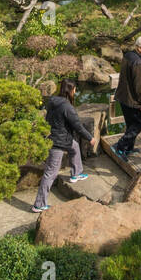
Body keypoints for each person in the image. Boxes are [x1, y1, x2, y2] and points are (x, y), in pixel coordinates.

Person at [32, 79, 93, 213]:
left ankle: (76, 173)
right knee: (50, 173)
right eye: (75, 89)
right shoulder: (67, 107)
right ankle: (39, 204)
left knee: (75, 146)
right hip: (57, 142)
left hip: (59, 136)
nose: (75, 91)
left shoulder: (53, 101)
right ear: (71, 90)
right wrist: (90, 138)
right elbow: (77, 126)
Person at [113, 35, 141, 157]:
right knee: (140, 123)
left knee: (131, 125)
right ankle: (120, 146)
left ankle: (127, 149)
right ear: (139, 48)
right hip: (132, 100)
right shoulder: (138, 62)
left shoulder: (128, 55)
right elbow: (139, 86)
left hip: (123, 96)